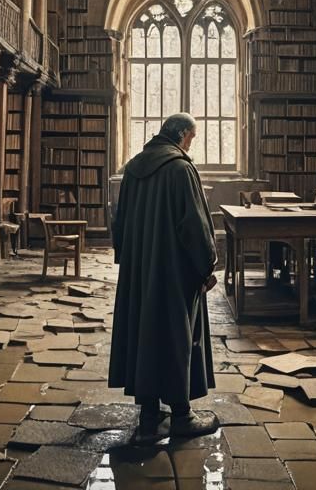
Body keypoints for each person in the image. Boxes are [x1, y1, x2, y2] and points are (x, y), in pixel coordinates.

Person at [108, 112, 220, 441]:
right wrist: (206, 267)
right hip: (174, 271)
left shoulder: (133, 167)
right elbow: (195, 227)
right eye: (192, 138)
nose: (191, 145)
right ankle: (182, 416)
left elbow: (121, 222)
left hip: (140, 270)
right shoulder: (180, 168)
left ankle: (149, 416)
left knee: (145, 335)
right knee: (178, 337)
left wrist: (130, 262)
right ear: (183, 134)